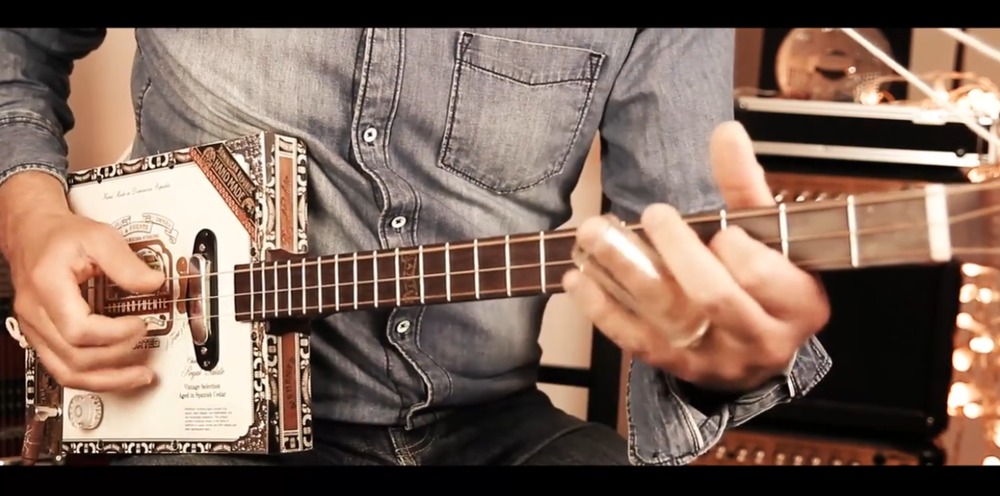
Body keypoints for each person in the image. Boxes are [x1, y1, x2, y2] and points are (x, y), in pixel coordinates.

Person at [0, 28, 832, 466]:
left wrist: (718, 357)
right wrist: (31, 212)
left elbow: (690, 251)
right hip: (186, 418)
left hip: (496, 427)